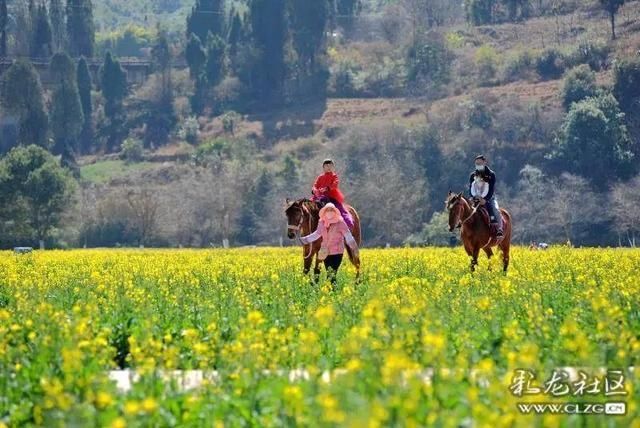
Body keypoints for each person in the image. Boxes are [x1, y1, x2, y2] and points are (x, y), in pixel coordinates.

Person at [299, 203, 359, 285]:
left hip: (337, 253)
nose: (329, 213)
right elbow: (317, 234)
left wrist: (354, 247)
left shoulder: (340, 222)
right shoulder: (322, 222)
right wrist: (305, 240)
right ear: (324, 212)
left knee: (332, 275)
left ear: (335, 212)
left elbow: (348, 236)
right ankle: (332, 293)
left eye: (331, 210)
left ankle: (333, 292)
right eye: (327, 211)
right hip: (325, 253)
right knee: (330, 275)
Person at [311, 159, 354, 229]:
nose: (328, 167)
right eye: (326, 166)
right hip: (320, 196)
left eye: (330, 166)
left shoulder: (334, 176)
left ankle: (348, 222)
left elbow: (335, 184)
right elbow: (315, 185)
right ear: (323, 167)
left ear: (333, 167)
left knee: (339, 208)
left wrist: (327, 188)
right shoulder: (320, 177)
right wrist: (314, 190)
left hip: (331, 196)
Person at [469, 154, 503, 238]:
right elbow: (470, 188)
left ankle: (499, 229)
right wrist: (473, 197)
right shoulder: (472, 175)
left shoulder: (491, 174)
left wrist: (485, 199)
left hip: (489, 198)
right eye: (476, 164)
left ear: (484, 162)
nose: (478, 165)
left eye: (480, 163)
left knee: (496, 210)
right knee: (464, 209)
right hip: (475, 198)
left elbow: (491, 189)